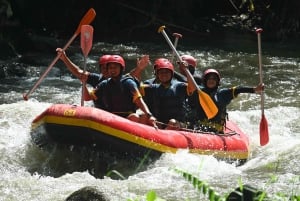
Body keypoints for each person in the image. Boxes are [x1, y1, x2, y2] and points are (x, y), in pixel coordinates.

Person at [56, 48, 150, 101]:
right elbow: (78, 72)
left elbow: (132, 74)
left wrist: (139, 68)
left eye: (109, 67)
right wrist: (65, 59)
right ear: (100, 69)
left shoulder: (123, 79)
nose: (107, 70)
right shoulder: (97, 79)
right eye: (103, 68)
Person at [190, 68, 264, 133]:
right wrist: (185, 69)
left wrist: (255, 89)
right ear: (205, 81)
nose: (211, 81)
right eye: (209, 79)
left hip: (216, 129)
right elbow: (187, 83)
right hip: (198, 126)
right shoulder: (198, 92)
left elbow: (238, 89)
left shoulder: (222, 94)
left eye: (214, 79)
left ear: (217, 81)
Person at [90, 55, 155, 126]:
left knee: (135, 117)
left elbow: (139, 101)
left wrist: (149, 114)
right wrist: (83, 81)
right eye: (110, 68)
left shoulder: (128, 82)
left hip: (128, 117)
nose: (112, 70)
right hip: (111, 117)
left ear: (121, 68)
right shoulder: (104, 84)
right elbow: (90, 97)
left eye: (115, 67)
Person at [140, 58, 196, 129]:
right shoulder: (153, 87)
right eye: (161, 72)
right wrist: (139, 69)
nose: (164, 74)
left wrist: (186, 70)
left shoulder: (180, 86)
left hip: (178, 124)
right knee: (144, 116)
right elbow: (135, 87)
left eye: (166, 72)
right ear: (157, 74)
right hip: (160, 123)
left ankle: (161, 136)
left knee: (172, 122)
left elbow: (193, 88)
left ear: (172, 74)